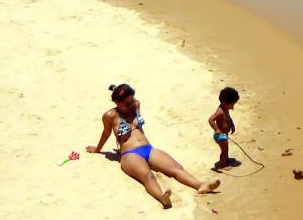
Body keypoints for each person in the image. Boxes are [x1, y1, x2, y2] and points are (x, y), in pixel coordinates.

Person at [86, 83, 219, 209]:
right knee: (148, 177)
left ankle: (200, 185)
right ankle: (162, 198)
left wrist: (122, 92)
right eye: (127, 103)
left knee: (176, 168)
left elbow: (130, 98)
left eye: (132, 100)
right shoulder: (110, 116)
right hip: (130, 155)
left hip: (148, 149)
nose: (131, 104)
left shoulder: (135, 105)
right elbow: (106, 133)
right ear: (117, 102)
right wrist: (97, 150)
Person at [208, 87, 240, 170]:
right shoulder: (220, 111)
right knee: (224, 150)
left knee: (226, 149)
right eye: (232, 104)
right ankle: (222, 165)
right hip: (220, 136)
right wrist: (217, 130)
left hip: (224, 134)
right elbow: (211, 120)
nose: (233, 106)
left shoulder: (226, 108)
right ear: (224, 103)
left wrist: (232, 125)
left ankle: (226, 159)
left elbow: (228, 118)